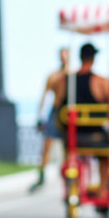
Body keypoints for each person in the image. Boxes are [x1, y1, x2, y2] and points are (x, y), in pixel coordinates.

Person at [60, 43, 109, 192]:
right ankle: (103, 188)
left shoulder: (67, 80)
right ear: (94, 58)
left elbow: (58, 104)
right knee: (105, 154)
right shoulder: (100, 81)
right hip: (95, 137)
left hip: (74, 136)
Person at [30, 47, 70, 193]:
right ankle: (41, 175)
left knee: (69, 146)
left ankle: (69, 178)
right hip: (55, 112)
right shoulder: (53, 76)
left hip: (69, 112)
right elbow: (44, 96)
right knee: (47, 144)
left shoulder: (72, 75)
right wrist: (40, 116)